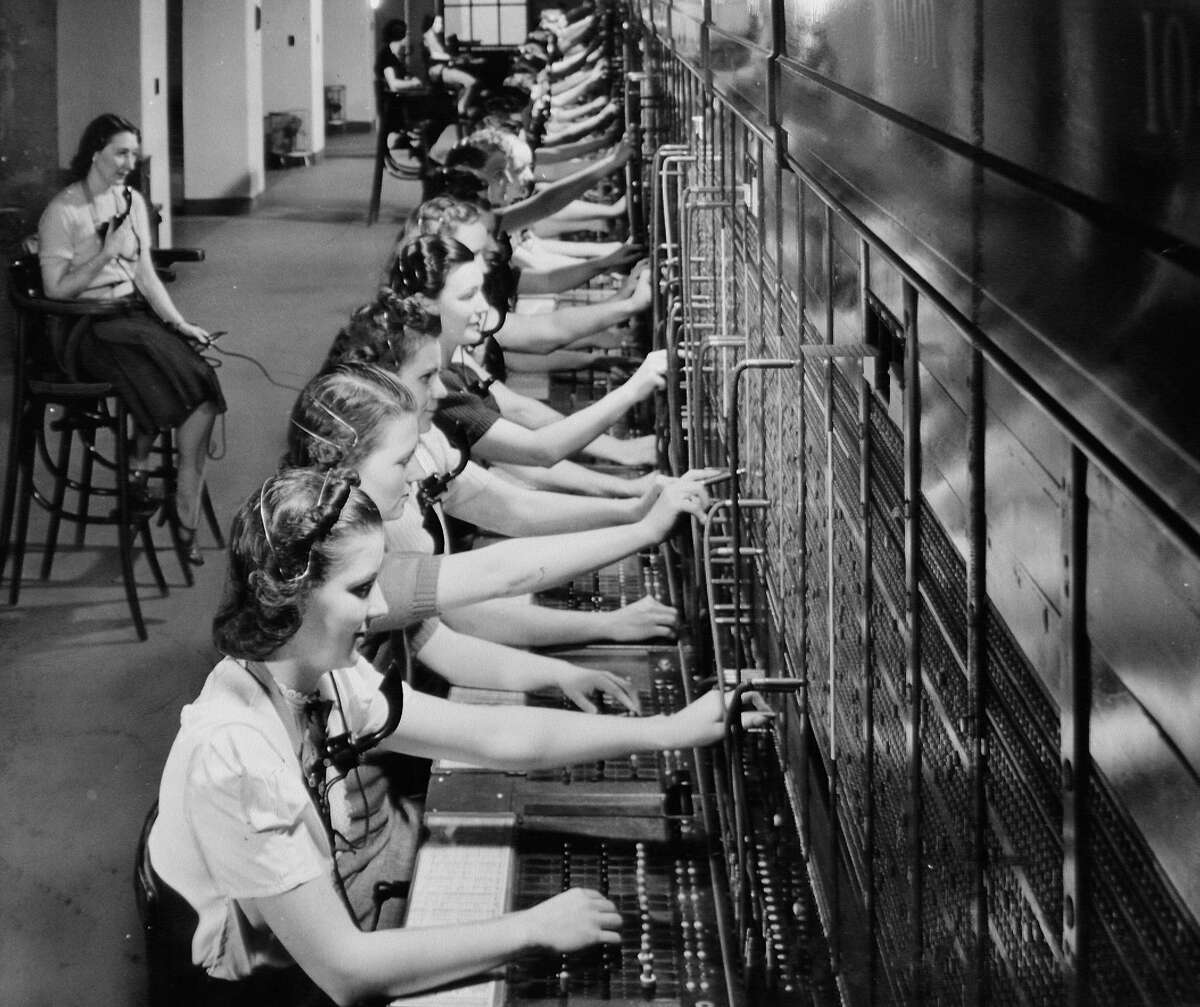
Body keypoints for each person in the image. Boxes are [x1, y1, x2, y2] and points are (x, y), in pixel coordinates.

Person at [147, 467, 769, 1005]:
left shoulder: (318, 672)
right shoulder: (236, 752)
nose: (376, 609)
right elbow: (345, 972)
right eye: (359, 590)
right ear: (288, 593)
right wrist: (531, 928)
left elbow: (493, 735)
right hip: (253, 992)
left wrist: (668, 730)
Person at [37, 112, 224, 563]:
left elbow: (144, 275)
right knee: (163, 381)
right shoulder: (63, 210)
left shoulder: (132, 201)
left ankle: (181, 503)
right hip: (85, 329)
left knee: (203, 386)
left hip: (131, 318)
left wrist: (178, 323)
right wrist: (105, 253)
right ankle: (138, 469)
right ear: (95, 152)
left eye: (134, 155)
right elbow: (55, 291)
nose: (128, 163)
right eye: (120, 153)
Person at [389, 234, 662, 480]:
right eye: (468, 295)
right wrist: (633, 390)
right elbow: (537, 451)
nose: (484, 306)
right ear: (427, 304)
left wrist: (623, 452)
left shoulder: (451, 349)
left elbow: (520, 409)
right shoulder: (434, 382)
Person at [374, 19, 425, 158]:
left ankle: (418, 148)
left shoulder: (395, 55)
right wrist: (413, 83)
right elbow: (394, 84)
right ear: (401, 36)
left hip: (397, 102)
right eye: (406, 34)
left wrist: (408, 79)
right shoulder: (387, 56)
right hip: (392, 105)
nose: (408, 37)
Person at [421, 13, 478, 120]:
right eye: (437, 23)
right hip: (438, 70)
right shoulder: (429, 36)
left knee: (463, 86)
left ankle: (460, 109)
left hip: (443, 68)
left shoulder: (439, 36)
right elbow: (438, 55)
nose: (441, 25)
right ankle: (461, 110)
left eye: (442, 23)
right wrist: (454, 58)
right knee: (472, 82)